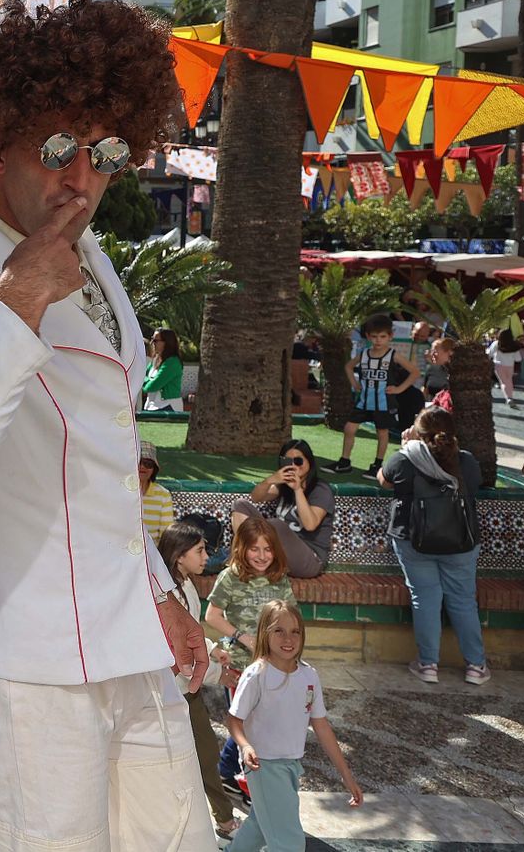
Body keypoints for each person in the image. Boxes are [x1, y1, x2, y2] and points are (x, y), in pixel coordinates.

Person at [0, 0, 213, 850]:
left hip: (129, 643)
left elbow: (102, 471)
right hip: (26, 664)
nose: (82, 178)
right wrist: (16, 296)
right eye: (59, 147)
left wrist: (160, 596)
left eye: (104, 153)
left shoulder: (98, 270)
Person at [225, 600, 363, 850]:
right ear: (265, 634)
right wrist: (245, 746)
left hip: (290, 766)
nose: (288, 638)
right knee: (289, 842)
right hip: (263, 767)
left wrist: (346, 775)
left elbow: (321, 726)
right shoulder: (257, 675)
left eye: (295, 631)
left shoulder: (309, 676)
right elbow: (234, 720)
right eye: (279, 630)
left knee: (260, 826)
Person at [378, 406, 489, 686]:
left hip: (414, 540)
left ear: (418, 432)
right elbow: (474, 486)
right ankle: (475, 666)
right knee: (463, 600)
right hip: (460, 541)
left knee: (424, 599)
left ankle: (428, 665)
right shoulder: (466, 461)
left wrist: (406, 446)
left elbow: (384, 480)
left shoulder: (405, 459)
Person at [158, 521, 239, 841]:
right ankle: (222, 820)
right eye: (200, 551)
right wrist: (219, 673)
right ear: (179, 556)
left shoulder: (186, 586)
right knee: (198, 757)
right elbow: (179, 648)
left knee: (203, 754)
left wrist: (213, 649)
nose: (206, 556)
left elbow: (191, 633)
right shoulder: (167, 592)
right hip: (174, 691)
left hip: (186, 691)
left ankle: (222, 818)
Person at [206, 517, 298, 792]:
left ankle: (226, 771)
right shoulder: (231, 577)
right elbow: (212, 615)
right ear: (241, 548)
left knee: (263, 722)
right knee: (245, 722)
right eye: (254, 549)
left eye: (267, 549)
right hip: (240, 665)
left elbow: (290, 616)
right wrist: (242, 637)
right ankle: (244, 782)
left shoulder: (278, 578)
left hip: (272, 665)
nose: (261, 556)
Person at [329, 314, 417, 476]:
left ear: (390, 336)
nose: (378, 340)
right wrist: (354, 384)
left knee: (382, 433)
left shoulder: (393, 355)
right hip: (363, 401)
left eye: (382, 336)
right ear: (368, 336)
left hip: (383, 402)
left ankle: (377, 465)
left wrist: (399, 389)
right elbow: (348, 367)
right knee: (349, 428)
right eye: (374, 336)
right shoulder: (364, 354)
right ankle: (344, 461)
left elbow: (414, 372)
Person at [235, 440, 334, 579]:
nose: (293, 466)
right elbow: (256, 497)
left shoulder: (320, 490)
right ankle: (244, 559)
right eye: (288, 461)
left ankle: (250, 563)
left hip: (310, 560)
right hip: (280, 553)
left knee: (276, 525)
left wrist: (298, 489)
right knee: (241, 505)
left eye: (298, 461)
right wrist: (270, 480)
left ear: (309, 462)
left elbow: (310, 524)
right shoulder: (284, 486)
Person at [138, 440, 174, 541]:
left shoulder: (163, 495)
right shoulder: (119, 492)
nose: (142, 467)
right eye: (138, 462)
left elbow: (166, 534)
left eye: (148, 463)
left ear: (154, 469)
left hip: (153, 553)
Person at [142, 328, 185, 412]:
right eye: (152, 339)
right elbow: (142, 376)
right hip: (151, 406)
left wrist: (145, 382)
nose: (152, 343)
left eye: (155, 340)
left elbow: (152, 386)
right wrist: (147, 381)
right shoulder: (155, 359)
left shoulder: (173, 362)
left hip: (168, 407)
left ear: (167, 343)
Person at [489, 328, 523, 409]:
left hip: (498, 366)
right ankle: (510, 397)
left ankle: (508, 398)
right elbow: (518, 359)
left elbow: (490, 353)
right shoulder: (514, 346)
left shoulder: (496, 344)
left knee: (503, 382)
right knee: (509, 382)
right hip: (510, 366)